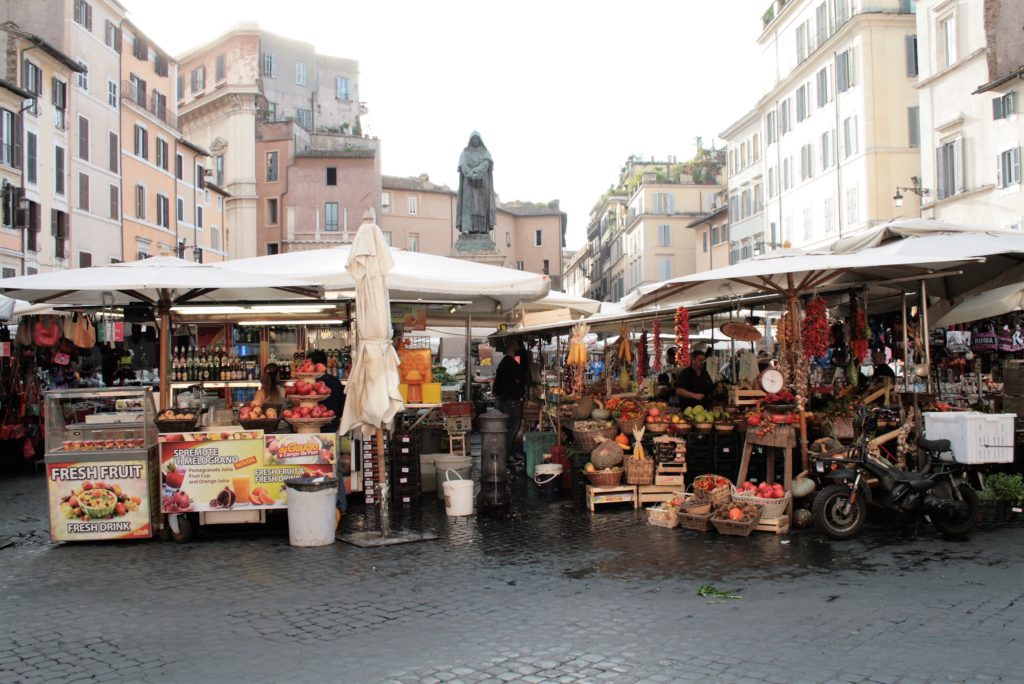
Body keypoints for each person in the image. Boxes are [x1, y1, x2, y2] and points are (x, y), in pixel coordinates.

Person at [492, 337, 529, 463]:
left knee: (509, 429)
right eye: (518, 344)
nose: (520, 346)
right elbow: (522, 377)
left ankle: (510, 453)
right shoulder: (509, 363)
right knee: (511, 429)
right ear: (513, 346)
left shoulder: (506, 362)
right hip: (511, 401)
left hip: (506, 400)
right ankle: (508, 456)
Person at [456, 131, 495, 235]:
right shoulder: (465, 153)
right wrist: (470, 174)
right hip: (468, 182)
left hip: (482, 182)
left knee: (481, 206)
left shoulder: (485, 152)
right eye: (473, 139)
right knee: (468, 205)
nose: (475, 141)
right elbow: (463, 165)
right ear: (470, 140)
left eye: (477, 139)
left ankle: (482, 228)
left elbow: (486, 164)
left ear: (480, 140)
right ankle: (467, 227)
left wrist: (475, 172)